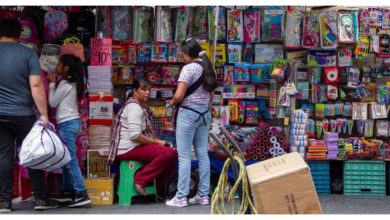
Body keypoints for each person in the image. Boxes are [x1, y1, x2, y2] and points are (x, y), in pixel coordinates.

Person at [0, 18, 58, 213]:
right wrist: (43, 115)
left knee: (3, 156)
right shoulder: (28, 54)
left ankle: (3, 202)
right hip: (23, 114)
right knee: (35, 154)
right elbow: (36, 85)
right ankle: (40, 198)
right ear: (19, 35)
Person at [166, 38, 218, 207]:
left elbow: (179, 95)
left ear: (187, 54)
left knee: (184, 155)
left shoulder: (189, 69)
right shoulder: (209, 68)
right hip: (204, 114)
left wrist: (172, 102)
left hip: (188, 114)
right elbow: (210, 96)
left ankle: (181, 196)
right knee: (203, 153)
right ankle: (203, 195)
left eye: (183, 53)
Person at [108, 79, 178, 200]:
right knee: (167, 153)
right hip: (127, 148)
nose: (147, 93)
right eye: (143, 90)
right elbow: (135, 136)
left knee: (173, 154)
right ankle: (140, 180)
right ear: (134, 91)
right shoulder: (134, 108)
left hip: (135, 146)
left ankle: (157, 188)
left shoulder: (140, 106)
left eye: (149, 90)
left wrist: (159, 143)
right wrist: (157, 142)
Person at [46, 54, 91, 207]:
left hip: (67, 124)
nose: (57, 66)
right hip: (72, 123)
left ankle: (81, 192)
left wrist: (52, 84)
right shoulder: (74, 82)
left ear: (66, 67)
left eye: (60, 64)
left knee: (70, 160)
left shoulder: (65, 83)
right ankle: (67, 191)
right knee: (66, 159)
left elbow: (52, 102)